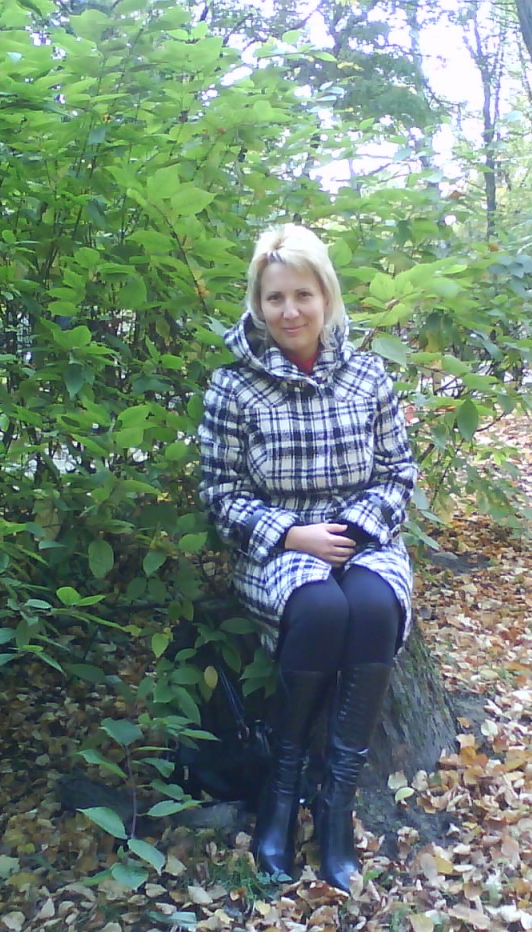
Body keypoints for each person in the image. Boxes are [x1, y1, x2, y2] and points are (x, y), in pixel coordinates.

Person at [197, 223, 417, 892]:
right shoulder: (233, 387)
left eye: (303, 295)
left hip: (365, 538)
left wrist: (354, 528)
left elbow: (398, 471)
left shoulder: (368, 375)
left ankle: (335, 805)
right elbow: (219, 493)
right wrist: (293, 535)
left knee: (373, 608)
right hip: (278, 549)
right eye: (275, 298)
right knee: (321, 610)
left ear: (326, 297)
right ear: (258, 304)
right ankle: (281, 794)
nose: (290, 311)